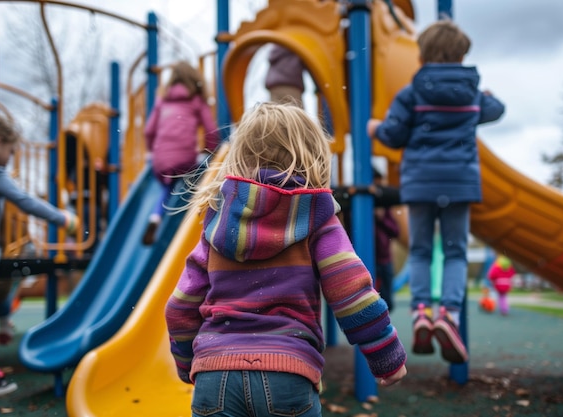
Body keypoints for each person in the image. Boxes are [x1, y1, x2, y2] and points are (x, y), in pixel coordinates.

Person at [165, 103, 407, 417]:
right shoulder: (317, 217)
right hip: (288, 373)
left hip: (215, 375)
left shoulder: (217, 223)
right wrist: (386, 356)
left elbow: (180, 306)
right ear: (313, 156)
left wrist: (187, 362)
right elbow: (351, 291)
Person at [367, 19, 505, 364]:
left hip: (421, 182)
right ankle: (450, 316)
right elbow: (498, 109)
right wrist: (488, 97)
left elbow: (394, 135)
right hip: (459, 182)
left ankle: (420, 314)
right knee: (456, 251)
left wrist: (375, 128)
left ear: (423, 54)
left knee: (421, 251)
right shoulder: (472, 95)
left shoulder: (411, 93)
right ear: (461, 55)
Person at [0, 112, 79, 403]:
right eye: (11, 150)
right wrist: (62, 218)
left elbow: (25, 201)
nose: (11, 157)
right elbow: (26, 202)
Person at [142, 60, 220, 245]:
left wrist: (152, 152)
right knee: (198, 175)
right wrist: (209, 150)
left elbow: (149, 131)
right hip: (185, 159)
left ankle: (155, 217)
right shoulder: (195, 99)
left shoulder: (162, 100)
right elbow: (210, 130)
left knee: (168, 185)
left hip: (160, 161)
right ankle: (192, 217)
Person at [373, 170, 400, 313]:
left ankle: (383, 328)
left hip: (384, 259)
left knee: (387, 301)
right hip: (364, 258)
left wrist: (382, 218)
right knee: (368, 301)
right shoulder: (357, 207)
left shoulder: (384, 205)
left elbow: (395, 231)